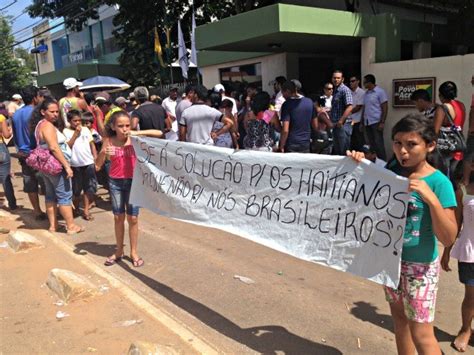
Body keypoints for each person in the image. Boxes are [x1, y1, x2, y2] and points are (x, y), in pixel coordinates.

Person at [348, 114, 458, 355]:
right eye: (398, 143)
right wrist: (356, 163)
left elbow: (449, 237)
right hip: (391, 263)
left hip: (420, 268)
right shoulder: (392, 173)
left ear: (430, 145)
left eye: (411, 144)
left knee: (422, 334)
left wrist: (430, 199)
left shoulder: (439, 183)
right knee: (400, 324)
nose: (403, 151)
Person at [95, 110, 163, 267]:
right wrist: (104, 153)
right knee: (118, 217)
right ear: (113, 126)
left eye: (127, 125)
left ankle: (133, 251)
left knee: (133, 218)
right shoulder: (109, 141)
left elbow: (159, 133)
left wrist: (136, 131)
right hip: (115, 183)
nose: (124, 129)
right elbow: (97, 166)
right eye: (120, 126)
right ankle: (119, 250)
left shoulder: (135, 139)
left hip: (134, 182)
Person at [30, 99, 84, 234]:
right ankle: (71, 226)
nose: (55, 114)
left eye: (56, 111)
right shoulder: (47, 126)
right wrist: (66, 166)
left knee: (50, 195)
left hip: (46, 167)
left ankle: (53, 225)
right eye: (51, 111)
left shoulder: (40, 125)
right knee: (64, 195)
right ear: (43, 112)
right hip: (55, 165)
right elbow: (54, 147)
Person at [441, 157, 474, 353]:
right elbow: (456, 224)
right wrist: (446, 250)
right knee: (471, 296)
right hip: (470, 252)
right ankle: (465, 329)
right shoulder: (463, 191)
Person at [12, 86, 46, 220]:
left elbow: (15, 135)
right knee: (46, 184)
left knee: (30, 183)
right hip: (37, 153)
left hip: (23, 153)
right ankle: (53, 212)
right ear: (34, 98)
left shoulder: (16, 114)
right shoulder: (37, 113)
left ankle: (37, 211)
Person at [63, 110, 97, 221]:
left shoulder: (86, 130)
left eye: (79, 120)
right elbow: (67, 146)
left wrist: (95, 158)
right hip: (75, 164)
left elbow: (92, 144)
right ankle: (76, 207)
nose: (77, 123)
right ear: (69, 121)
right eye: (75, 121)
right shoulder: (66, 131)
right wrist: (75, 135)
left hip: (88, 162)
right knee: (76, 189)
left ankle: (86, 210)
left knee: (88, 188)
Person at [433, 81, 466, 178]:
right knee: (453, 180)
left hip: (446, 151)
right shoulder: (461, 105)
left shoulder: (443, 108)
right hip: (458, 146)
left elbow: (435, 130)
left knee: (444, 179)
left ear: (440, 94)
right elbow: (457, 123)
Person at [279, 81, 318, 153]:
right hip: (306, 143)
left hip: (291, 143)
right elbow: (315, 126)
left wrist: (281, 146)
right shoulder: (309, 102)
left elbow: (285, 130)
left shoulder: (286, 104)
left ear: (287, 91)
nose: (283, 96)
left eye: (282, 93)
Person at [361, 74, 388, 160]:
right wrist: (362, 122)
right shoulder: (366, 94)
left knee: (379, 144)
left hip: (376, 122)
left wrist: (382, 122)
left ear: (370, 82)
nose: (363, 84)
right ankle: (374, 163)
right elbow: (364, 108)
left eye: (365, 82)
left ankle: (383, 163)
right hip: (367, 122)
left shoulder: (380, 92)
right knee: (371, 145)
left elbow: (385, 107)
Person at [330, 70, 353, 155]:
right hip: (336, 125)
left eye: (338, 78)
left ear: (342, 79)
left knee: (344, 152)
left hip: (343, 125)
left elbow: (350, 106)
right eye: (334, 78)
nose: (336, 80)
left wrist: (341, 121)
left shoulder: (345, 90)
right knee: (337, 151)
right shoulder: (336, 91)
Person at [0, 113, 17, 210]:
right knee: (5, 178)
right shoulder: (1, 117)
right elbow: (6, 136)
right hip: (0, 149)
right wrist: (10, 130)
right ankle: (12, 204)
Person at [348, 76, 365, 151]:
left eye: (353, 81)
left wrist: (347, 113)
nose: (351, 83)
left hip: (357, 121)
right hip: (349, 121)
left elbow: (359, 107)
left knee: (359, 142)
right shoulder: (349, 93)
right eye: (350, 81)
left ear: (358, 81)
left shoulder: (361, 92)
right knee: (351, 143)